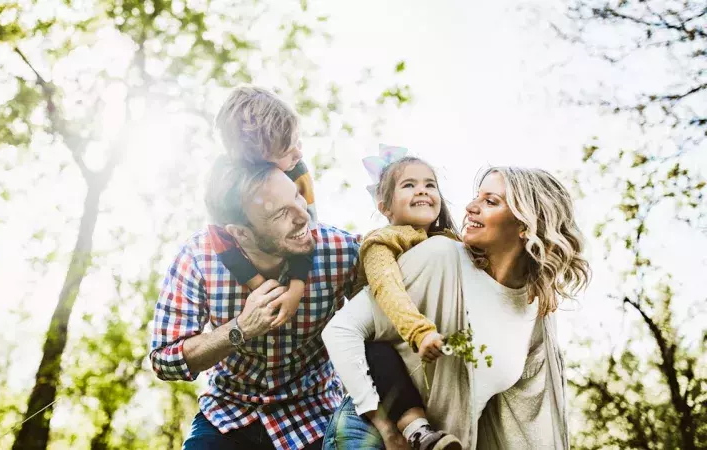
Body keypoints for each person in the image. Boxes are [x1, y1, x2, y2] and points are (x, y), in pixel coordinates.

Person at [322, 166, 591, 450]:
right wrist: (386, 429)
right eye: (478, 196)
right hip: (374, 432)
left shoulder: (534, 309)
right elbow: (342, 330)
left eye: (490, 201)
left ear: (525, 226)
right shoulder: (440, 255)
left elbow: (528, 417)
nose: (470, 207)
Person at [149, 159, 360, 450]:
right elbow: (164, 360)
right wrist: (240, 329)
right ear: (240, 233)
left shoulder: (339, 250)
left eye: (297, 196)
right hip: (227, 414)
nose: (303, 217)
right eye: (280, 214)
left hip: (314, 416)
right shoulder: (198, 258)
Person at [354, 146, 464, 450]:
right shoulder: (380, 243)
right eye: (409, 185)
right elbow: (387, 290)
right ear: (385, 207)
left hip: (440, 347)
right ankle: (417, 431)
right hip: (395, 344)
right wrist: (420, 331)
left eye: (430, 184)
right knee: (375, 351)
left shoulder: (452, 243)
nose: (423, 191)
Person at [210, 85, 318, 328]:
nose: (299, 153)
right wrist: (263, 288)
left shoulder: (297, 172)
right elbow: (221, 241)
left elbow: (308, 231)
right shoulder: (223, 187)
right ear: (256, 161)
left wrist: (296, 289)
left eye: (297, 142)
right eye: (286, 150)